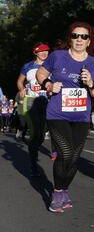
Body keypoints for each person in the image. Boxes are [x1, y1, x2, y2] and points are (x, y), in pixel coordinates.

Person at [36, 22, 94, 213]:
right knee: (66, 153)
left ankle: (64, 189)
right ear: (70, 38)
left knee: (74, 158)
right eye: (75, 36)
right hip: (57, 114)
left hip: (81, 117)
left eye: (83, 37)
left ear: (89, 41)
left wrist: (91, 83)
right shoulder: (58, 57)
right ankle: (57, 192)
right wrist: (49, 85)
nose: (79, 40)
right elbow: (41, 73)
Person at [16, 42, 50, 177]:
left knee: (41, 135)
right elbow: (20, 81)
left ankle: (33, 146)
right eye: (41, 51)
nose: (44, 53)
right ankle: (33, 162)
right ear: (35, 52)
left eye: (46, 51)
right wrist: (22, 89)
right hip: (31, 101)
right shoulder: (28, 66)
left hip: (47, 102)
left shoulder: (51, 64)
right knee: (35, 132)